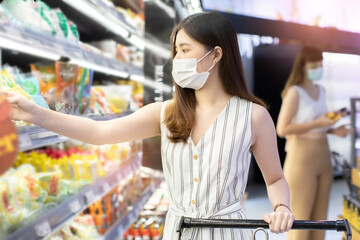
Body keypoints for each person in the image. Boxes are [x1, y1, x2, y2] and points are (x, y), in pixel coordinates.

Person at [5, 11, 294, 239]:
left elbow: (275, 179)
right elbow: (98, 132)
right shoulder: (165, 113)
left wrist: (282, 207)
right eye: (175, 51)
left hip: (229, 234)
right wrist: (36, 114)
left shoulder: (253, 116)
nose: (176, 60)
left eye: (185, 50)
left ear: (216, 54)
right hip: (177, 232)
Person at [276, 46, 351, 240]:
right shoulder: (294, 92)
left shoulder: (322, 90)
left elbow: (320, 125)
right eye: (314, 64)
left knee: (321, 222)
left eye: (321, 64)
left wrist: (334, 129)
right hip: (301, 159)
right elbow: (282, 129)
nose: (319, 67)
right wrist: (318, 123)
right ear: (303, 66)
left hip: (323, 156)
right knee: (300, 221)